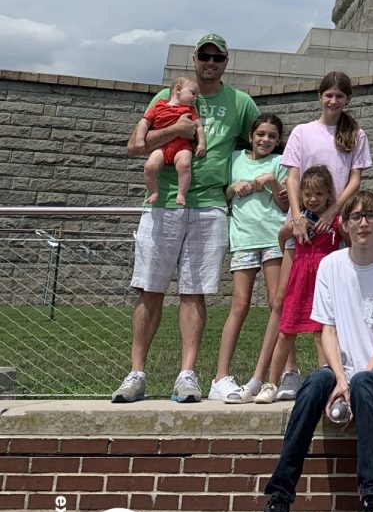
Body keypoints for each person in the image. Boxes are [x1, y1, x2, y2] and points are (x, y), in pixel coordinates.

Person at [257, 189, 373, 512]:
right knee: (314, 383)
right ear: (343, 223)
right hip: (341, 370)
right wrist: (341, 378)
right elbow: (326, 329)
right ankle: (279, 499)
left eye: (371, 217)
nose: (363, 223)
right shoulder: (331, 265)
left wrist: (355, 379)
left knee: (364, 386)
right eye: (356, 216)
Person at [114, 34, 259, 404]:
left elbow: (261, 143)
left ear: (226, 61)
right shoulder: (166, 96)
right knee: (150, 290)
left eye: (218, 57)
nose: (211, 62)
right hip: (163, 204)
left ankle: (187, 375)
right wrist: (176, 131)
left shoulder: (241, 103)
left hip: (210, 205)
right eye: (205, 56)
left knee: (194, 293)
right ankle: (136, 374)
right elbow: (134, 146)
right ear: (194, 59)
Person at [272, 71, 371, 399]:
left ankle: (329, 371)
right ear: (320, 96)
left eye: (339, 96)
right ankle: (287, 374)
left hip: (335, 227)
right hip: (301, 226)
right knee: (286, 297)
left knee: (331, 301)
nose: (333, 101)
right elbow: (292, 176)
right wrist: (298, 215)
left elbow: (355, 179)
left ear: (347, 100)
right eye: (328, 95)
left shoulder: (355, 134)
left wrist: (334, 211)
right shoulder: (302, 132)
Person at [210, 112, 289, 403]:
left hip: (273, 238)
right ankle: (220, 376)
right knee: (239, 305)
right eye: (261, 134)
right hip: (243, 239)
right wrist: (234, 187)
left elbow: (286, 204)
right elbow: (224, 194)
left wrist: (272, 182)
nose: (265, 140)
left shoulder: (280, 163)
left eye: (272, 136)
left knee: (277, 303)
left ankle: (286, 372)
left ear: (279, 140)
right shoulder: (234, 159)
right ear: (251, 135)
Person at [261, 165, 344, 402]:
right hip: (299, 280)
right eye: (307, 194)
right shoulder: (298, 222)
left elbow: (347, 243)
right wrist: (289, 240)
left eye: (319, 194)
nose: (313, 199)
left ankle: (324, 383)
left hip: (324, 282)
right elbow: (282, 236)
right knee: (286, 331)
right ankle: (271, 383)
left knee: (321, 333)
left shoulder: (335, 222)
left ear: (329, 194)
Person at [141, 76, 206, 207]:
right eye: (193, 93)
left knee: (185, 166)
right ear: (178, 90)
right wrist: (139, 139)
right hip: (161, 147)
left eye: (197, 96)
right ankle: (153, 191)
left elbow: (198, 126)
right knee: (149, 167)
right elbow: (144, 122)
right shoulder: (159, 105)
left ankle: (181, 193)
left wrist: (201, 143)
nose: (195, 98)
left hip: (182, 147)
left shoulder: (189, 110)